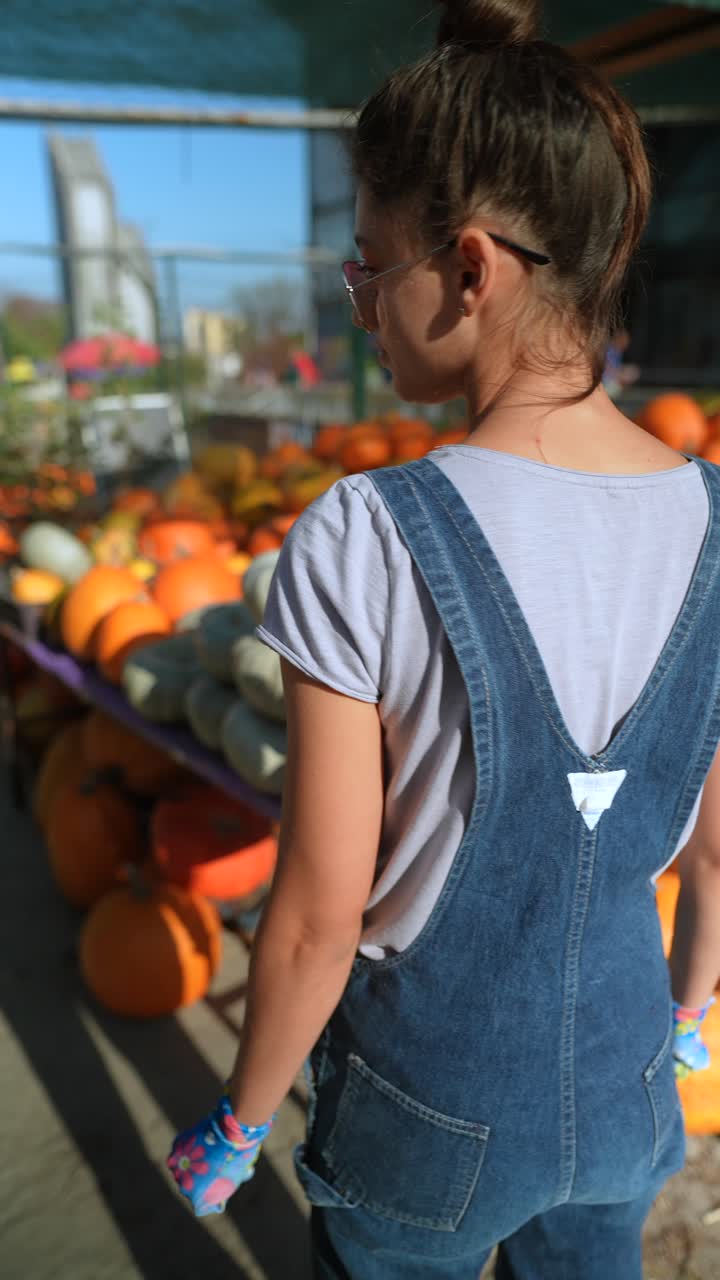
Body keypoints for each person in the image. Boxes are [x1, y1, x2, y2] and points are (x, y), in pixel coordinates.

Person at [167, 2, 720, 1274]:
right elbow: (715, 844)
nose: (360, 299)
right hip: (632, 1085)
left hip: (425, 1115)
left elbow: (316, 914)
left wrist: (238, 1120)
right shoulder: (710, 518)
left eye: (369, 263)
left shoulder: (364, 533)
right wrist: (690, 1010)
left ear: (470, 270)